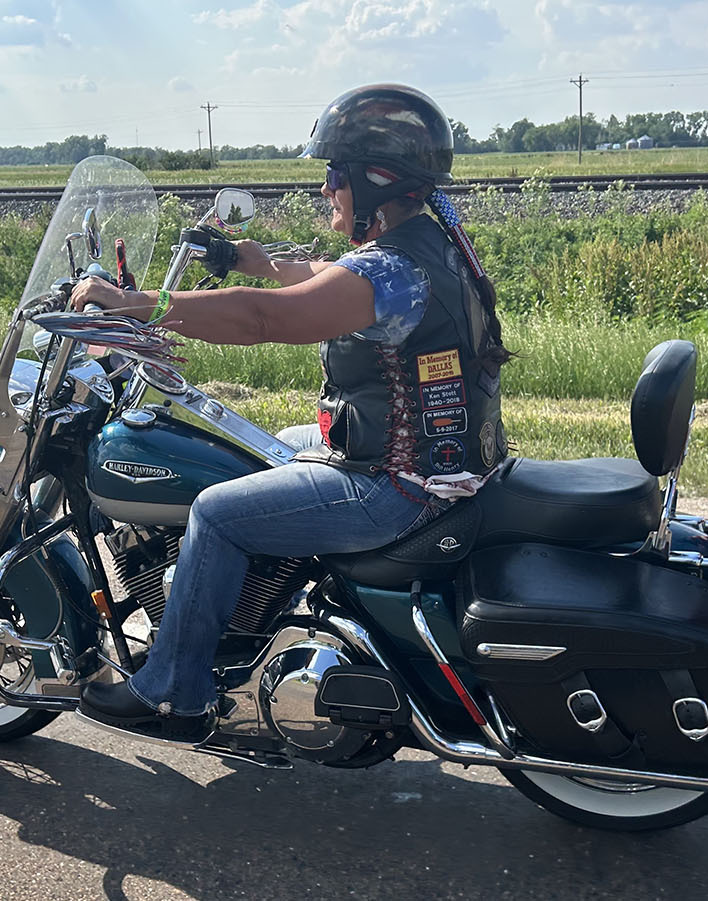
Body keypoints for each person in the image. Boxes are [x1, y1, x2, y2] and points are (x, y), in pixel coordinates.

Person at [70, 84, 511, 743]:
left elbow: (266, 318)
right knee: (267, 448)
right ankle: (256, 622)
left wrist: (140, 307)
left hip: (398, 485)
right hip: (440, 461)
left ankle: (172, 692)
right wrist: (253, 259)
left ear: (375, 178)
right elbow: (328, 278)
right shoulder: (427, 245)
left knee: (216, 512)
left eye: (336, 173)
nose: (326, 187)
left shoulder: (393, 269)